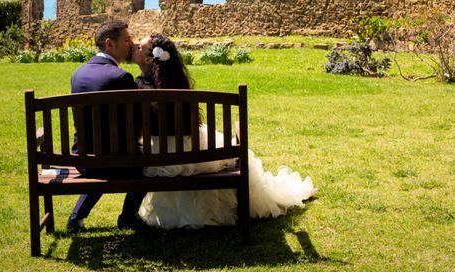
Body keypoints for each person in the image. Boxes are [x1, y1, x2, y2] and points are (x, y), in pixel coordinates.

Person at [132, 33, 317, 229]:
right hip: (191, 153)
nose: (134, 46)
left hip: (158, 159)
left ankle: (182, 215)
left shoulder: (137, 86)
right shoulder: (179, 84)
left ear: (148, 59)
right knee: (230, 150)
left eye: (139, 46)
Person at [66, 20, 147, 234]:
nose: (131, 44)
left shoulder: (77, 74)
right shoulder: (121, 77)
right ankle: (128, 217)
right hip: (120, 160)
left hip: (84, 159)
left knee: (100, 162)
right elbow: (140, 118)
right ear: (109, 44)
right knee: (149, 165)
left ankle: (75, 218)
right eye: (127, 40)